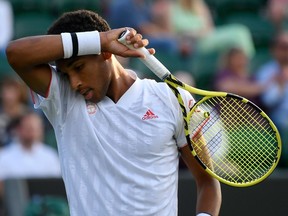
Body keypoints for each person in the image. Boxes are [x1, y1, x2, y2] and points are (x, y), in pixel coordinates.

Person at [5, 10, 221, 215]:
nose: (74, 83)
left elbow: (207, 182)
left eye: (79, 67)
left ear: (107, 53)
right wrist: (100, 39)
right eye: (66, 73)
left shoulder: (172, 99)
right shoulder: (62, 97)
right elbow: (15, 53)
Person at [168, 0, 255, 58]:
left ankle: (249, 62)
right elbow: (171, 33)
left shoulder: (198, 4)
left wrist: (194, 33)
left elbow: (209, 29)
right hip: (192, 43)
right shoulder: (171, 7)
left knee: (241, 31)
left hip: (206, 38)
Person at [256, 31, 288, 167]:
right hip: (279, 123)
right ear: (274, 50)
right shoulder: (266, 71)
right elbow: (268, 101)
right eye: (283, 47)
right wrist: (280, 87)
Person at [0, 111, 61, 180]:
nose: (32, 132)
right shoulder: (4, 156)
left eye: (35, 129)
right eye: (28, 128)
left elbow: (56, 184)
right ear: (19, 129)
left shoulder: (50, 156)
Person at [0, 77, 29, 148]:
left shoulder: (27, 115)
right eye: (6, 91)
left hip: (23, 153)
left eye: (12, 91)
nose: (8, 96)